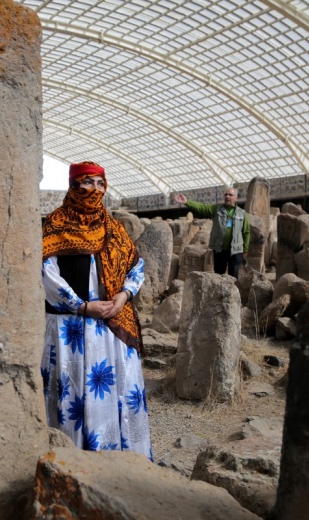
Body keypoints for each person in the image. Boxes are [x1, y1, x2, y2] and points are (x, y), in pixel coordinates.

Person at [41, 161, 152, 459]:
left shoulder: (114, 229)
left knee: (113, 397)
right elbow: (45, 272)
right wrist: (81, 305)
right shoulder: (53, 225)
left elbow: (136, 266)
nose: (94, 190)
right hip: (71, 329)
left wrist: (124, 296)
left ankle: (121, 461)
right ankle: (71, 463)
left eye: (100, 184)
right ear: (74, 185)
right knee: (72, 396)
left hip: (111, 328)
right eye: (87, 182)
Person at [174, 188, 250, 278]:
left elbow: (246, 232)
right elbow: (202, 207)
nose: (227, 196)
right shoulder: (217, 210)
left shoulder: (242, 214)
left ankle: (233, 291)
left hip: (236, 250)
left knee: (234, 275)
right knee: (219, 274)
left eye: (230, 195)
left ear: (236, 198)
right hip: (220, 249)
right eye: (226, 194)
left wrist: (245, 249)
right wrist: (187, 202)